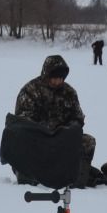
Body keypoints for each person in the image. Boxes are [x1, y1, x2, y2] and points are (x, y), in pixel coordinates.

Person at [10, 54, 96, 186]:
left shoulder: (69, 92)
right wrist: (43, 131)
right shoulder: (30, 90)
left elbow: (77, 117)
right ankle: (27, 177)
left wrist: (70, 130)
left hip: (62, 138)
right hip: (36, 138)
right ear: (46, 74)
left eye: (61, 78)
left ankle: (76, 180)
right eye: (54, 77)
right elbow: (22, 120)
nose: (58, 81)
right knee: (21, 139)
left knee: (87, 142)